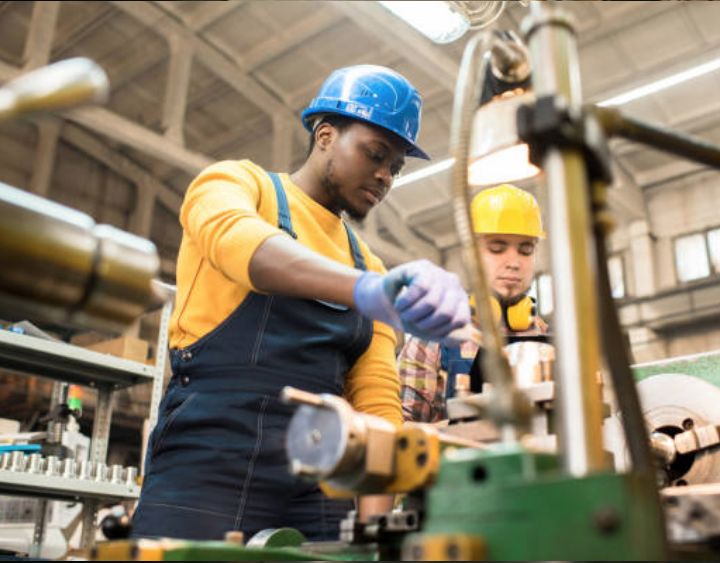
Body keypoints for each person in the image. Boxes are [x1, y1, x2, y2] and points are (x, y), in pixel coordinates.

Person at [131, 65, 470, 541]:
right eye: (375, 154)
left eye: (396, 166)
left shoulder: (368, 262)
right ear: (326, 135)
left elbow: (376, 402)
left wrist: (375, 529)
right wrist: (365, 291)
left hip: (321, 480)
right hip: (208, 461)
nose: (385, 176)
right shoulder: (238, 185)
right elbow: (239, 242)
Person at [399, 184, 548, 423]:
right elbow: (404, 434)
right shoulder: (432, 336)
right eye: (497, 249)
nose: (514, 262)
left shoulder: (541, 336)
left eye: (525, 250)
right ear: (470, 255)